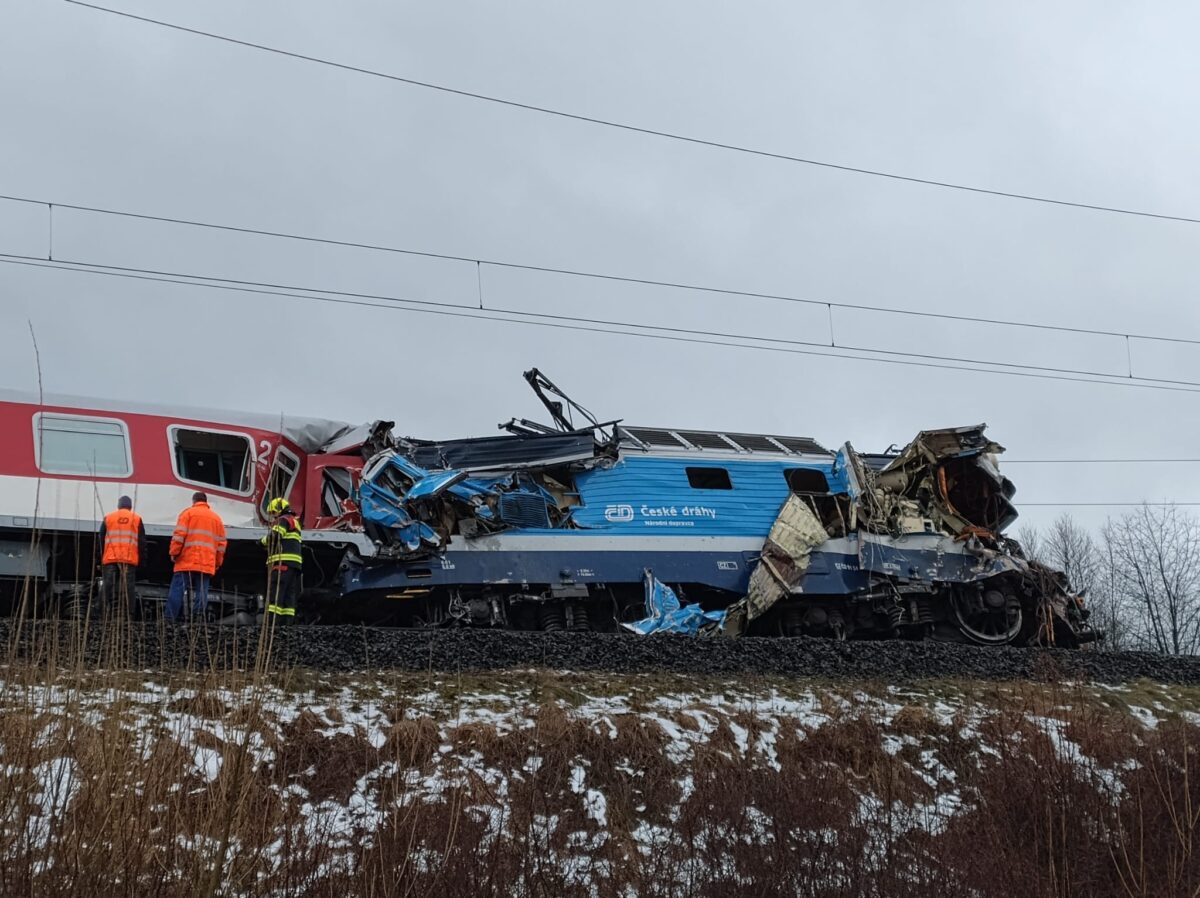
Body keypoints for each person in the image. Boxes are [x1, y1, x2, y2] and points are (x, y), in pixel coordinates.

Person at [166, 492, 227, 622]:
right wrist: (217, 562)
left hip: (186, 560)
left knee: (178, 588)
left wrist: (174, 553)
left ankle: (170, 617)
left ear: (194, 501)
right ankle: (198, 618)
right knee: (202, 590)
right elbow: (221, 545)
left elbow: (179, 536)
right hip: (206, 561)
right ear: (206, 501)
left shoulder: (187, 514)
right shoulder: (217, 519)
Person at [99, 495, 146, 618]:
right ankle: (129, 613)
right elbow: (142, 542)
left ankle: (101, 612)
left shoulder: (108, 518)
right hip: (128, 558)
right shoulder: (136, 519)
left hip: (110, 557)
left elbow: (100, 539)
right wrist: (142, 561)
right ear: (130, 507)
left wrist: (98, 559)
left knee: (107, 584)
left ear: (118, 506)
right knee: (128, 586)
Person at [261, 497, 302, 624]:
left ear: (279, 510)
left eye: (273, 513)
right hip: (294, 565)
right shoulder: (295, 522)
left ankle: (272, 624)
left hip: (282, 563)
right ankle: (287, 626)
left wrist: (262, 541)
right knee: (289, 597)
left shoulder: (282, 520)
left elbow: (275, 537)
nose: (273, 517)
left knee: (276, 594)